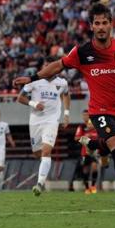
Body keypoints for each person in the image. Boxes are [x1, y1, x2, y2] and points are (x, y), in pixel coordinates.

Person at [13, 3, 115, 207]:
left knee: (112, 148)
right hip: (99, 111)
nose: (101, 26)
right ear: (91, 26)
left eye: (105, 22)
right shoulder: (83, 52)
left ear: (111, 24)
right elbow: (57, 66)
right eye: (97, 23)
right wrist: (32, 78)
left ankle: (94, 145)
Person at [18, 58, 70, 196]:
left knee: (46, 151)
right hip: (35, 121)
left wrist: (66, 114)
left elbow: (66, 95)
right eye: (45, 66)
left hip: (52, 121)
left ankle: (40, 184)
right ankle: (43, 172)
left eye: (49, 66)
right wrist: (34, 104)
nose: (46, 68)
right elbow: (20, 98)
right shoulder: (34, 81)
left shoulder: (62, 83)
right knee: (37, 154)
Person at [74, 110, 104, 194]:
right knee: (85, 169)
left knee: (94, 167)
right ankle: (87, 188)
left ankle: (93, 186)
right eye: (84, 115)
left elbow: (101, 137)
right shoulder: (82, 127)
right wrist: (85, 139)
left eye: (87, 115)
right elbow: (76, 138)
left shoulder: (96, 126)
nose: (85, 117)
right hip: (85, 152)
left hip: (95, 152)